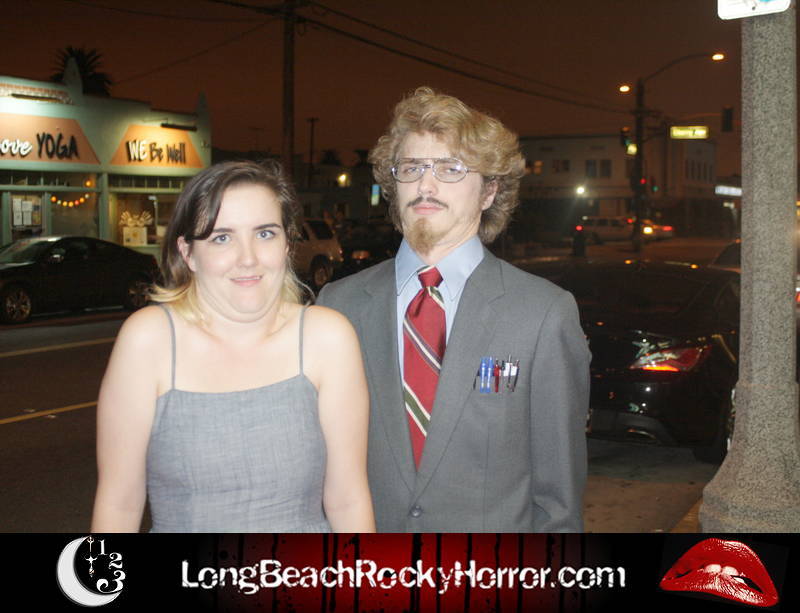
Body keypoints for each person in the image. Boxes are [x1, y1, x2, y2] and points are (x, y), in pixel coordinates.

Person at [317, 87, 590, 532]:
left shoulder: (543, 314)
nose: (426, 185)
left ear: (489, 191)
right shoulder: (338, 306)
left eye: (450, 168)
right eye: (411, 168)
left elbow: (558, 502)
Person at [92, 160, 375, 533]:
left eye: (265, 233)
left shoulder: (327, 338)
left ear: (287, 245)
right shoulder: (149, 340)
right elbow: (119, 504)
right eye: (221, 237)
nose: (248, 258)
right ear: (188, 252)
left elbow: (348, 500)